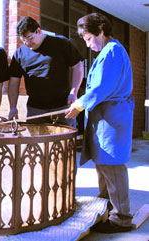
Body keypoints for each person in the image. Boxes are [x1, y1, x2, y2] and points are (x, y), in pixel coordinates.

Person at [65, 13, 134, 233]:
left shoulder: (112, 51)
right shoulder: (107, 52)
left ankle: (121, 218)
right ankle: (108, 208)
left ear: (100, 31)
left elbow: (102, 88)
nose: (87, 43)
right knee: (103, 165)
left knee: (112, 166)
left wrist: (79, 104)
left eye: (87, 38)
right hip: (106, 117)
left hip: (111, 118)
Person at [8, 16, 84, 126]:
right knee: (36, 142)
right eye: (23, 40)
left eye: (30, 38)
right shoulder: (19, 54)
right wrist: (13, 107)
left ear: (38, 31)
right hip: (35, 109)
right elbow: (14, 83)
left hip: (62, 106)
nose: (27, 43)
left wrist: (74, 92)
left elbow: (77, 66)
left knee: (65, 142)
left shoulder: (61, 43)